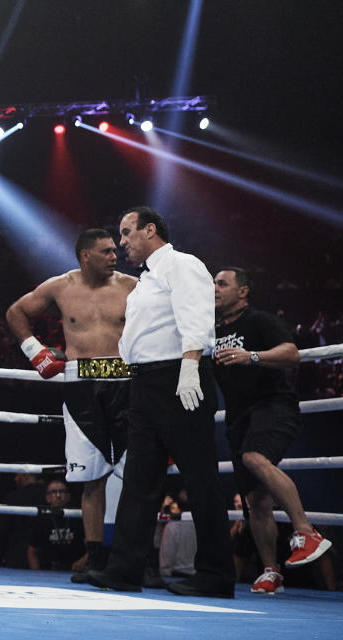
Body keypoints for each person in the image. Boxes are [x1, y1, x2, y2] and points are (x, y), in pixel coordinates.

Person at [81, 206, 235, 598]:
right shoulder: (146, 280)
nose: (122, 242)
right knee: (139, 481)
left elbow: (196, 316)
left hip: (180, 378)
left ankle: (216, 575)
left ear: (150, 230)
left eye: (127, 232)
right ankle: (124, 571)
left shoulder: (182, 265)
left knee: (200, 478)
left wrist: (190, 366)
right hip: (145, 383)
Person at [6, 228, 136, 577]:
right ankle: (95, 559)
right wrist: (36, 352)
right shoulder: (60, 287)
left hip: (126, 383)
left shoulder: (132, 287)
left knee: (137, 476)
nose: (115, 256)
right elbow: (16, 312)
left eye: (115, 251)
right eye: (107, 252)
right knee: (91, 478)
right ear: (85, 256)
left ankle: (137, 559)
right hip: (81, 386)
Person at [213, 267, 332, 595]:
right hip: (238, 416)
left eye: (222, 283)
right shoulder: (209, 330)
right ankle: (271, 571)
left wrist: (250, 356)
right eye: (212, 283)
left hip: (273, 405)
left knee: (254, 457)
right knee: (255, 499)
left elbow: (291, 354)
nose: (214, 288)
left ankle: (306, 532)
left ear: (243, 291)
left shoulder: (259, 321)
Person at [27, 479, 87, 571]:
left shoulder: (79, 516)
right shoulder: (42, 519)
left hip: (75, 569)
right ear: (47, 497)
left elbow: (93, 546)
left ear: (68, 496)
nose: (58, 496)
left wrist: (83, 561)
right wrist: (36, 575)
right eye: (54, 492)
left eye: (62, 491)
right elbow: (32, 551)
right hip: (48, 570)